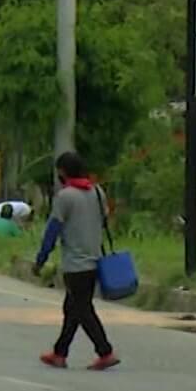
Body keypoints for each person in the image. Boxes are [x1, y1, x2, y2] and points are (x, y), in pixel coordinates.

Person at [36, 152, 119, 371]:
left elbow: (52, 231)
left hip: (75, 263)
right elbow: (104, 220)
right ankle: (59, 353)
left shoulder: (65, 197)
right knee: (72, 308)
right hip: (95, 260)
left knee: (82, 309)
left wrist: (41, 259)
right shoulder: (98, 192)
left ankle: (105, 351)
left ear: (62, 172)